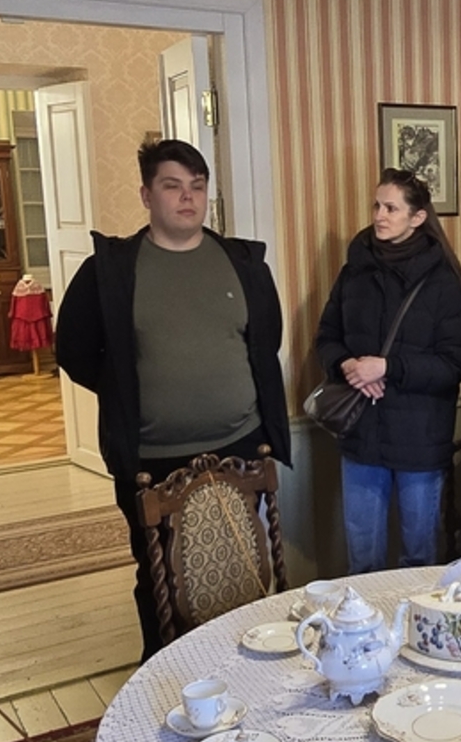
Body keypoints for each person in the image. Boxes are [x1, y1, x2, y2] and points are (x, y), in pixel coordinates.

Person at [55, 138, 291, 658]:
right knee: (162, 579)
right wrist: (131, 391)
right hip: (151, 458)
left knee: (241, 570)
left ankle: (247, 673)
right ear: (146, 195)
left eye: (197, 187)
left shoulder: (243, 264)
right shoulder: (111, 270)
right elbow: (74, 351)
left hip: (241, 447)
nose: (188, 197)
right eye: (172, 186)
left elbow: (264, 341)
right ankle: (164, 677)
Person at [313, 168, 461, 570]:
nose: (379, 215)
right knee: (362, 559)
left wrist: (388, 367)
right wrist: (349, 366)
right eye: (377, 206)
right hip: (361, 433)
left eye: (391, 208)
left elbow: (453, 363)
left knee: (420, 559)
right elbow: (327, 336)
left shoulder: (443, 281)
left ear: (417, 217)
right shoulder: (355, 270)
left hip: (420, 437)